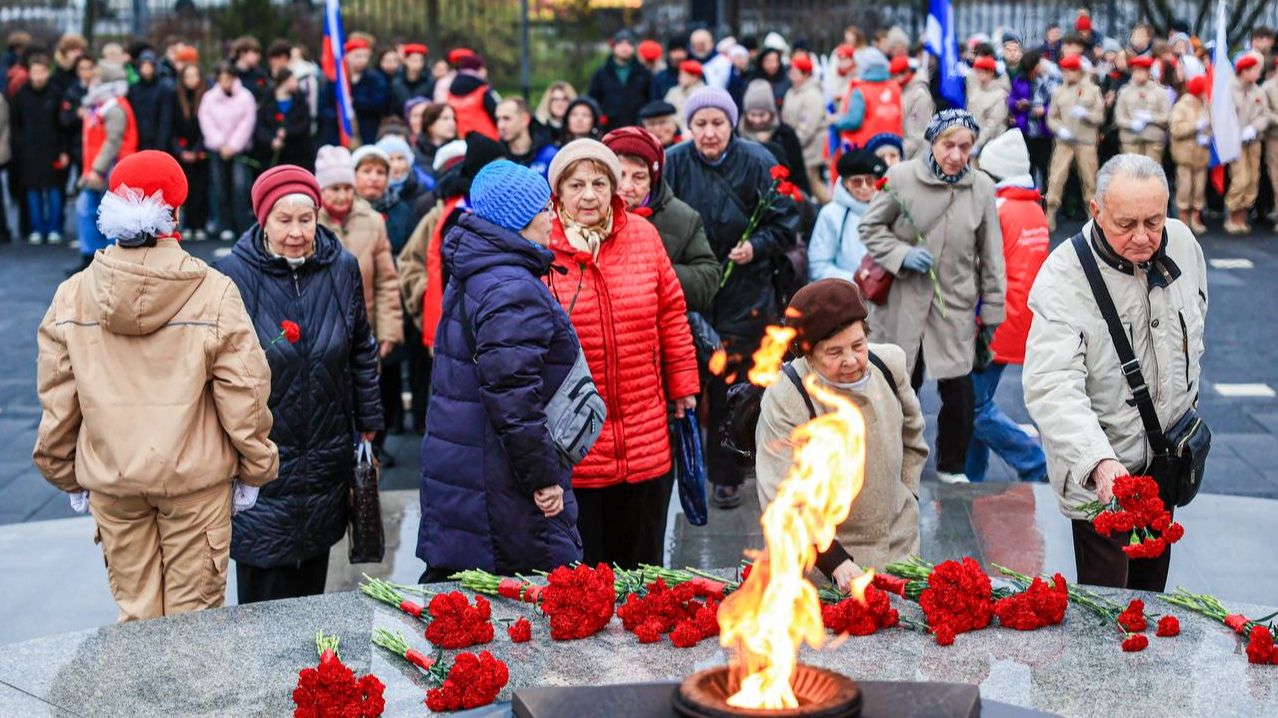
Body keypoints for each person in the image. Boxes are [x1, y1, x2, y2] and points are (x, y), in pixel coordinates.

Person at [34, 150, 278, 622]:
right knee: (194, 623)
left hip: (113, 478)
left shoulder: (73, 293)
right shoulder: (213, 289)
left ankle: (138, 699)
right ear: (176, 211)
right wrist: (255, 466)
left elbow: (58, 397)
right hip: (194, 480)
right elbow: (245, 391)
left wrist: (64, 471)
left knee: (137, 616)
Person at [1023, 154, 1206, 591]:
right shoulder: (1063, 277)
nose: (1143, 237)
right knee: (1109, 611)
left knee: (1152, 596)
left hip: (1166, 460)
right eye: (1126, 224)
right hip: (1102, 473)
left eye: (1153, 221)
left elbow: (1196, 317)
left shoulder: (1181, 242)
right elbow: (1052, 386)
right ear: (1095, 210)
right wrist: (1100, 463)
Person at [215, 165, 382, 603]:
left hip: (325, 450)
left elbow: (361, 346)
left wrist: (369, 421)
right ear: (262, 220)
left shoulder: (340, 267)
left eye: (305, 219)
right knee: (263, 596)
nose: (296, 232)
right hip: (263, 453)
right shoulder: (231, 273)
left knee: (312, 589)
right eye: (283, 220)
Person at [417, 160, 583, 578]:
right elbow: (513, 399)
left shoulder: (483, 269)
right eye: (545, 208)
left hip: (471, 464)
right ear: (520, 220)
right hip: (499, 479)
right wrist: (543, 478)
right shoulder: (510, 288)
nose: (552, 217)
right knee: (516, 602)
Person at [543, 140, 700, 567]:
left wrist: (684, 382)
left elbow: (671, 312)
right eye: (576, 185)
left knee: (642, 561)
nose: (589, 195)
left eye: (599, 182)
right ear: (558, 192)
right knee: (586, 564)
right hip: (577, 434)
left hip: (643, 423)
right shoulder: (543, 245)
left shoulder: (643, 236)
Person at [664, 87, 801, 508]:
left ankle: (729, 472)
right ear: (689, 127)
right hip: (693, 287)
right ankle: (685, 467)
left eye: (717, 123)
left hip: (747, 292)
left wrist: (756, 246)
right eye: (700, 124)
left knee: (736, 385)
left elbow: (788, 222)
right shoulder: (673, 163)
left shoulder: (759, 162)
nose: (709, 133)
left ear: (732, 123)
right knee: (687, 381)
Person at [858, 109, 1006, 485]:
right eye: (947, 145)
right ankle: (891, 465)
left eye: (965, 147)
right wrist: (901, 254)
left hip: (952, 305)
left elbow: (991, 255)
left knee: (959, 394)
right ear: (932, 143)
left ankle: (951, 467)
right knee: (897, 386)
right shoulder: (901, 177)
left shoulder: (983, 187)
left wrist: (992, 310)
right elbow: (871, 227)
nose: (956, 155)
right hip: (902, 304)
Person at [755, 279, 926, 588]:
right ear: (808, 354)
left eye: (858, 345)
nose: (851, 360)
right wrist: (833, 559)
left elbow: (913, 437)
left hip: (898, 547)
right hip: (825, 566)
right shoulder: (787, 394)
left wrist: (908, 495)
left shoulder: (890, 364)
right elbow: (782, 494)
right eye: (834, 352)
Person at [964, 129, 1048, 483]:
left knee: (973, 405)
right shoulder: (1031, 209)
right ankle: (968, 474)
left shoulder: (997, 210)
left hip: (991, 321)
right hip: (1018, 318)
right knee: (975, 402)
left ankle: (1035, 462)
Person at [602, 126, 719, 314]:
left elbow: (708, 279)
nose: (626, 186)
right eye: (619, 175)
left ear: (652, 182)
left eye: (639, 177)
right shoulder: (586, 212)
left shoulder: (682, 218)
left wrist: (655, 274)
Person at [316, 144, 404, 369]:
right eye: (334, 188)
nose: (343, 196)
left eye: (347, 188)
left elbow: (386, 281)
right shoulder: (310, 223)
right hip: (319, 334)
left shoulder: (373, 221)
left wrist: (388, 330)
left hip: (363, 332)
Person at [75, 62, 137, 273]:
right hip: (97, 168)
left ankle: (112, 259)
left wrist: (97, 169)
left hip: (108, 169)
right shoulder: (102, 105)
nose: (92, 78)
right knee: (87, 210)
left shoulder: (115, 107)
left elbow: (113, 141)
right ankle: (90, 257)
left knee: (107, 215)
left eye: (98, 76)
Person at [1045, 54, 1104, 232]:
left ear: (1079, 71)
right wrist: (1059, 128)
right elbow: (1051, 117)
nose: (1068, 74)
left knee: (1090, 179)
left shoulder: (1093, 90)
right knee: (1056, 178)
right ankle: (1050, 213)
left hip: (1085, 141)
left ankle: (1093, 215)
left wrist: (1086, 114)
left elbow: (1100, 117)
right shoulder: (1058, 92)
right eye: (1065, 70)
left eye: (1072, 70)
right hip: (1064, 141)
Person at [198, 62, 257, 241]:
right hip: (218, 149)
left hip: (238, 149)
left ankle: (242, 225)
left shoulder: (245, 97)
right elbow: (206, 120)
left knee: (239, 186)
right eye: (222, 79)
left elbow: (247, 122)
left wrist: (233, 145)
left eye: (228, 79)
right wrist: (220, 144)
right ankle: (223, 225)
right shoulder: (209, 97)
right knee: (219, 186)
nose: (225, 83)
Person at [11, 54, 66, 244]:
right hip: (29, 151)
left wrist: (63, 150)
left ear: (48, 72)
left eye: (42, 72)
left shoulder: (56, 93)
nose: (39, 76)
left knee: (54, 191)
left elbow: (63, 125)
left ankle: (55, 228)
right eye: (35, 72)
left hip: (53, 148)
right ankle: (36, 228)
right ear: (29, 73)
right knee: (33, 192)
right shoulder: (20, 95)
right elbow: (15, 125)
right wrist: (19, 149)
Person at [808, 149, 886, 282]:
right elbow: (818, 266)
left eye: (870, 180)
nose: (864, 187)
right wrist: (856, 281)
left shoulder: (892, 208)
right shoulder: (831, 214)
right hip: (848, 295)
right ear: (845, 183)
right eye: (857, 182)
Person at [832, 48, 902, 168]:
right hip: (893, 146)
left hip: (867, 148)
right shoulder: (894, 87)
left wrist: (836, 121)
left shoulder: (860, 90)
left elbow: (854, 121)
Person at [738, 80, 810, 195]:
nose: (757, 120)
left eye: (762, 115)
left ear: (771, 113)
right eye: (752, 115)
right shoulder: (737, 135)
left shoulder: (785, 134)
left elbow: (798, 173)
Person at [1226, 52, 1270, 234]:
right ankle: (1232, 217)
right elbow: (1223, 115)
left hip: (1253, 141)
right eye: (1254, 70)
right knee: (1240, 179)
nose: (1258, 74)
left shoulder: (1258, 91)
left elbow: (1266, 114)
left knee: (1252, 180)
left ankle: (1242, 218)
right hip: (1236, 142)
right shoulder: (1229, 89)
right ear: (1244, 71)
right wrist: (1237, 131)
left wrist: (1254, 127)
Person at [782, 53, 830, 203]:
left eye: (795, 71)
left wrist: (793, 144)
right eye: (791, 70)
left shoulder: (812, 95)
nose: (791, 74)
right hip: (795, 146)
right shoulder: (791, 92)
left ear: (806, 73)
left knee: (813, 183)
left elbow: (808, 126)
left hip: (810, 148)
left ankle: (830, 206)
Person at [171, 63, 209, 240]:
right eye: (187, 76)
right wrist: (181, 150)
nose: (191, 80)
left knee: (201, 188)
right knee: (184, 190)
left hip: (201, 150)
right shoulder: (176, 98)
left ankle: (199, 224)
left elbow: (208, 126)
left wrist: (197, 150)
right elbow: (172, 127)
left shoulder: (206, 97)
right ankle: (187, 224)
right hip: (183, 150)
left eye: (194, 75)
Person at [587, 30, 652, 133]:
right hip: (608, 128)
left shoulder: (644, 73)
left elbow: (651, 99)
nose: (624, 47)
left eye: (629, 43)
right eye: (620, 43)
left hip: (638, 127)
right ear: (614, 47)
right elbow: (593, 100)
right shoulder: (601, 73)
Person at [1169, 75, 1211, 235]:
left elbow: (1209, 124)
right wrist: (1195, 126)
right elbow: (1176, 129)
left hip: (1201, 154)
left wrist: (1207, 135)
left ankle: (1196, 216)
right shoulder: (1182, 106)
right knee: (1185, 187)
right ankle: (1183, 217)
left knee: (1199, 187)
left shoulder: (1205, 105)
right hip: (1185, 155)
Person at [253, 68, 313, 170]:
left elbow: (305, 124)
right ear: (284, 81)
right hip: (271, 156)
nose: (296, 84)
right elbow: (260, 126)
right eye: (293, 80)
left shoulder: (300, 99)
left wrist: (288, 132)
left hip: (296, 154)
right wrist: (271, 140)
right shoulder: (268, 99)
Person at [1114, 56, 1170, 162]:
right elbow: (1119, 117)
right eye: (1135, 71)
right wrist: (1131, 124)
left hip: (1153, 139)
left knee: (1152, 172)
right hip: (1130, 139)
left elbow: (1167, 116)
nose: (1137, 74)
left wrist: (1151, 118)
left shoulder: (1160, 92)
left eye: (1141, 71)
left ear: (1148, 72)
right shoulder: (1124, 92)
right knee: (1132, 172)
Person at [340, 37, 391, 146]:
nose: (362, 60)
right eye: (358, 56)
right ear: (347, 56)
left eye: (365, 56)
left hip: (369, 130)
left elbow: (380, 103)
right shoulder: (340, 80)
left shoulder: (375, 78)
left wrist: (355, 102)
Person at [496, 97, 558, 178]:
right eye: (498, 119)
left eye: (507, 118)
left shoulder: (549, 155)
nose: (500, 125)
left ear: (525, 119)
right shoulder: (495, 157)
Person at [444, 51, 499, 141]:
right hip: (487, 139)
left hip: (460, 139)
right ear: (478, 69)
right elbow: (496, 114)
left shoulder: (450, 91)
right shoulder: (483, 90)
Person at [127, 50, 174, 153]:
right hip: (138, 139)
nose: (146, 69)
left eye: (149, 66)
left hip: (157, 139)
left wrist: (161, 145)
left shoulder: (163, 89)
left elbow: (165, 119)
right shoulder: (133, 89)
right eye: (144, 66)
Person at [893, 55, 934, 161]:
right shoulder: (900, 89)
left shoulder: (920, 94)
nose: (895, 77)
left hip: (916, 155)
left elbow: (917, 133)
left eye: (899, 73)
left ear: (907, 71)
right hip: (902, 149)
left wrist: (898, 156)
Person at [967, 56, 1009, 161]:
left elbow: (993, 123)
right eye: (977, 71)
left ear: (990, 73)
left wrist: (978, 144)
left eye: (981, 72)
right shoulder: (976, 91)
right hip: (974, 141)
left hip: (992, 144)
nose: (978, 74)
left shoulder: (1000, 94)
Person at [412, 102, 457, 175]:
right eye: (445, 118)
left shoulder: (461, 150)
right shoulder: (415, 153)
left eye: (454, 118)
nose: (452, 123)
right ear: (430, 123)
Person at [664, 60, 705, 134]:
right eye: (680, 74)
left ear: (694, 77)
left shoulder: (703, 94)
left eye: (684, 75)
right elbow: (666, 112)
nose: (680, 78)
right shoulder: (673, 91)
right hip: (672, 130)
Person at [392, 43, 434, 113]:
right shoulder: (396, 81)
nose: (416, 64)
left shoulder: (429, 81)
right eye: (413, 60)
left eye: (420, 61)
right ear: (405, 60)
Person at [230, 36, 269, 101]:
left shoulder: (260, 75)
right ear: (242, 53)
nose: (259, 56)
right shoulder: (229, 74)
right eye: (255, 52)